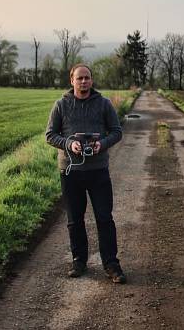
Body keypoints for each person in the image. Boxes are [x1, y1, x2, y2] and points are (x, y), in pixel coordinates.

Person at [45, 63, 125, 283]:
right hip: (70, 172)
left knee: (104, 218)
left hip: (98, 170)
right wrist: (69, 144)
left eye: (87, 78)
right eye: (79, 78)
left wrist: (102, 144)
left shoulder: (104, 104)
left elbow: (117, 132)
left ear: (92, 80)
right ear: (71, 80)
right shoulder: (61, 105)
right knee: (74, 219)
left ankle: (111, 264)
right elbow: (50, 135)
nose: (83, 82)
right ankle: (79, 261)